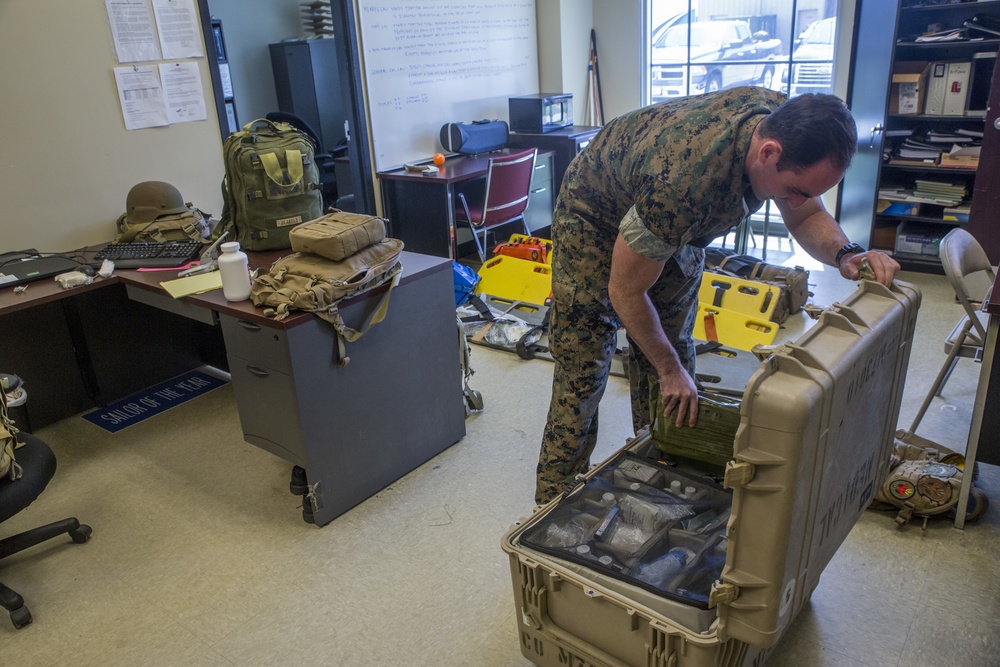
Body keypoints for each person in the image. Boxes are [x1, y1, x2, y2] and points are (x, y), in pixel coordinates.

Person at [535, 86, 900, 505]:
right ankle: (552, 501)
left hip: (669, 218)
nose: (797, 199)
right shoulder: (684, 182)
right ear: (768, 153)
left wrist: (845, 254)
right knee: (584, 370)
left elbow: (808, 212)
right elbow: (625, 290)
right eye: (796, 188)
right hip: (594, 219)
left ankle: (660, 479)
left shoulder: (790, 123)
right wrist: (669, 367)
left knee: (672, 365)